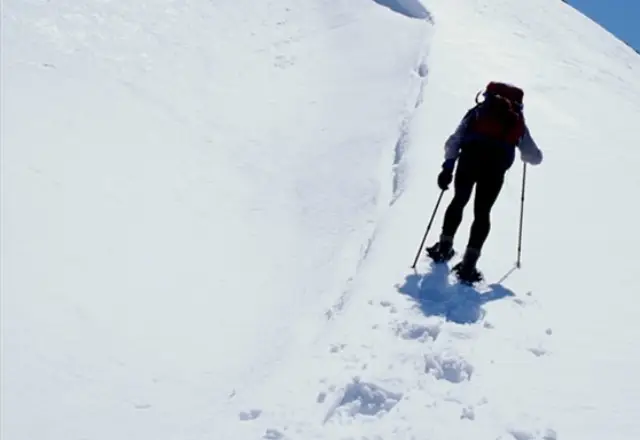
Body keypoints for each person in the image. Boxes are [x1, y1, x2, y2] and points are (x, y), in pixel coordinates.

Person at [426, 82, 543, 283]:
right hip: (495, 171)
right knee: (482, 213)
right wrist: (523, 152)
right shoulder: (517, 122)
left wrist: (447, 168)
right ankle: (468, 266)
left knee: (458, 201)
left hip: (468, 163)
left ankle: (444, 248)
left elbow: (455, 139)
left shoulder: (478, 112)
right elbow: (535, 157)